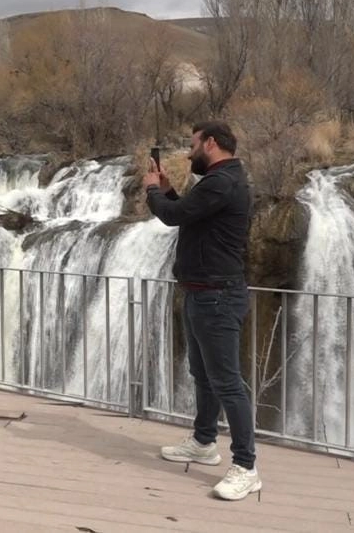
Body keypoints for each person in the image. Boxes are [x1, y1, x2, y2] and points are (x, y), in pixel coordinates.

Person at [143, 121, 259, 501]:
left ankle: (246, 467)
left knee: (227, 382)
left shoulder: (221, 182)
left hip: (217, 297)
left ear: (210, 143)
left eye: (193, 144)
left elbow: (172, 216)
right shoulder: (220, 182)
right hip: (202, 294)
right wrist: (167, 191)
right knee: (204, 376)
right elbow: (187, 212)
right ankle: (204, 442)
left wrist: (151, 190)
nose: (189, 151)